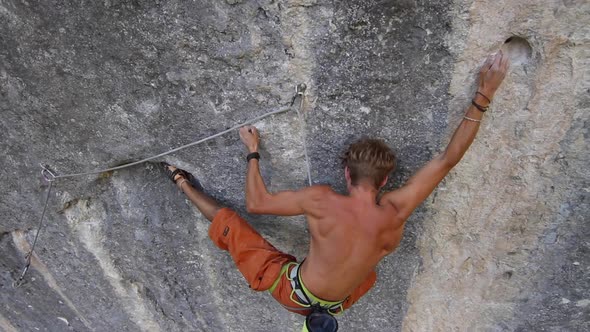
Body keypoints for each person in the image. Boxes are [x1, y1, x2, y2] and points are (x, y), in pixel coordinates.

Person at [162, 51, 509, 331]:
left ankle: (180, 180)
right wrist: (484, 94)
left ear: (346, 173)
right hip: (342, 301)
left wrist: (253, 150)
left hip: (293, 293)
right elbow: (448, 159)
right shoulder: (396, 210)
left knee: (231, 225)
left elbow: (256, 203)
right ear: (386, 181)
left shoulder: (322, 200)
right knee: (367, 270)